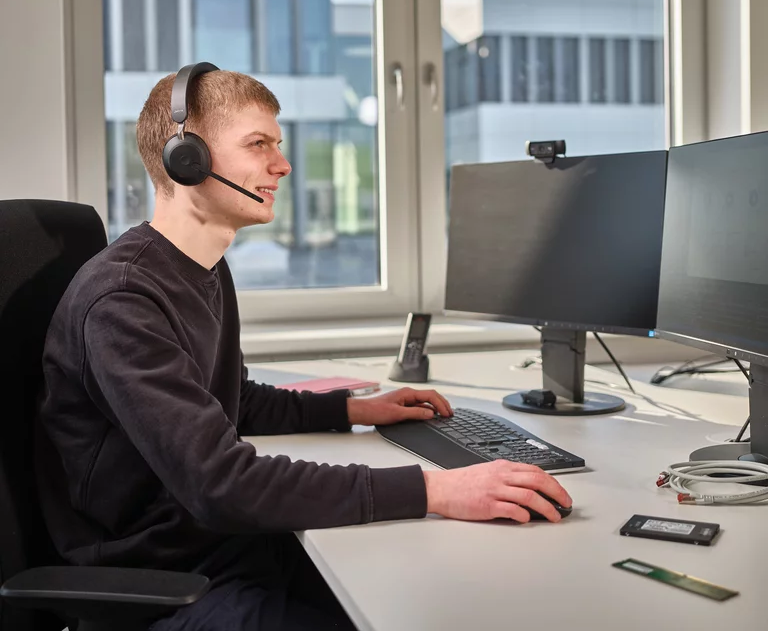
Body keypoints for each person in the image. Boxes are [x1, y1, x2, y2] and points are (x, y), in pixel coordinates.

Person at [37, 68, 572, 630]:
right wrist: (433, 488)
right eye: (258, 144)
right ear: (186, 158)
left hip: (219, 547)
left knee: (439, 593)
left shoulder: (202, 269)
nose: (283, 165)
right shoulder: (124, 300)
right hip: (160, 581)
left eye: (279, 145)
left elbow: (231, 402)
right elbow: (220, 483)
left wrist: (352, 409)